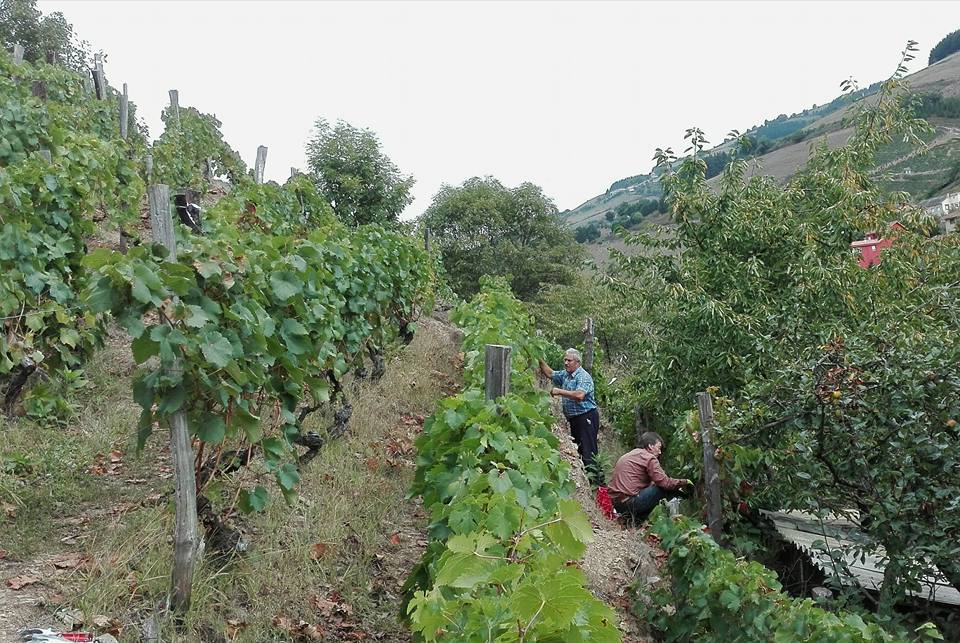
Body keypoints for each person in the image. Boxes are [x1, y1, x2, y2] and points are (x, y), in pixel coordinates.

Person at [539, 349, 602, 484]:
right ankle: (591, 484)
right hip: (575, 419)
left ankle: (598, 486)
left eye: (569, 360)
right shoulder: (566, 375)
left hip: (586, 418)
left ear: (577, 362)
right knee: (579, 450)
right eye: (565, 360)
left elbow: (579, 395)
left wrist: (559, 391)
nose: (566, 363)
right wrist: (537, 357)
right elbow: (550, 373)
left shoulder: (583, 377)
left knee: (589, 452)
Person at [608, 431, 692, 524]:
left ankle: (632, 522)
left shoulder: (630, 455)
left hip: (616, 504)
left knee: (654, 487)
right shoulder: (649, 458)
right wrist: (685, 482)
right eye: (659, 448)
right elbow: (665, 483)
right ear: (650, 446)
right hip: (630, 503)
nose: (660, 452)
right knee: (662, 489)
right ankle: (673, 520)